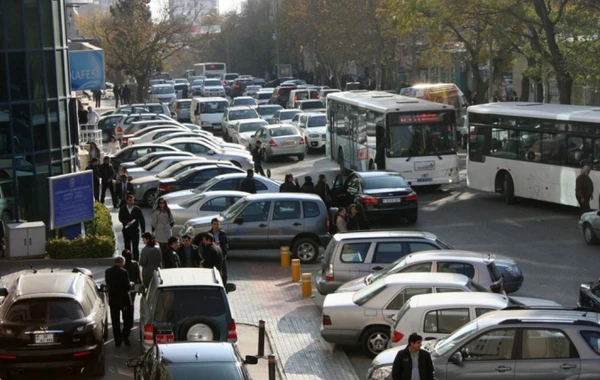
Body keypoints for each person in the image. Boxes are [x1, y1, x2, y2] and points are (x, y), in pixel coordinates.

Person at [104, 256, 132, 347]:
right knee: (127, 320)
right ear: (121, 262)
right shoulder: (124, 272)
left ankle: (117, 341)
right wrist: (131, 284)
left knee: (115, 322)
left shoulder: (108, 272)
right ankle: (125, 335)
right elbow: (127, 287)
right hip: (124, 300)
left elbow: (108, 284)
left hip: (113, 300)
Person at [118, 194, 146, 261]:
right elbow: (120, 218)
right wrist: (126, 222)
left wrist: (143, 231)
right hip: (126, 230)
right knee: (127, 247)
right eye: (129, 200)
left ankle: (136, 261)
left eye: (132, 200)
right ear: (127, 201)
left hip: (135, 231)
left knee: (135, 247)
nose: (131, 202)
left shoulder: (137, 209)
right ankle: (127, 261)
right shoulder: (123, 208)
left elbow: (142, 220)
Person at [208, 218, 229, 285]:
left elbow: (226, 243)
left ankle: (224, 287)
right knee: (215, 272)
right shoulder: (209, 234)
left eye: (218, 224)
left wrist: (225, 250)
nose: (216, 225)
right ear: (212, 225)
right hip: (214, 256)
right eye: (215, 224)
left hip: (222, 254)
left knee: (224, 274)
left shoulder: (222, 233)